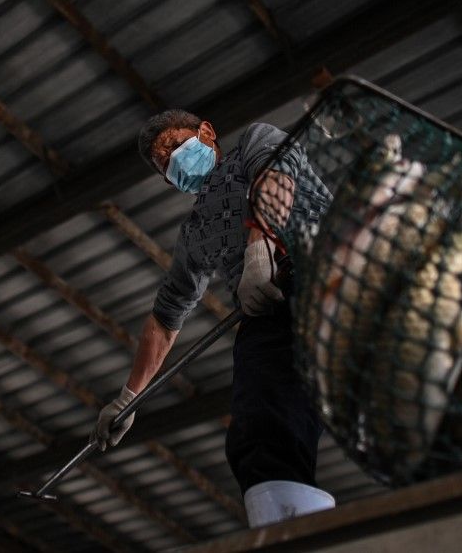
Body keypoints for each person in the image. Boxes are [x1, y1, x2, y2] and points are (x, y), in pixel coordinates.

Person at [91, 109, 335, 527]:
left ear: (206, 131)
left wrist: (261, 246)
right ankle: (291, 530)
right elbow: (166, 317)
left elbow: (274, 175)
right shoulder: (196, 231)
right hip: (272, 312)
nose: (170, 163)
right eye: (161, 164)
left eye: (171, 146)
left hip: (332, 270)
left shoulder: (255, 141)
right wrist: (129, 397)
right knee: (260, 428)